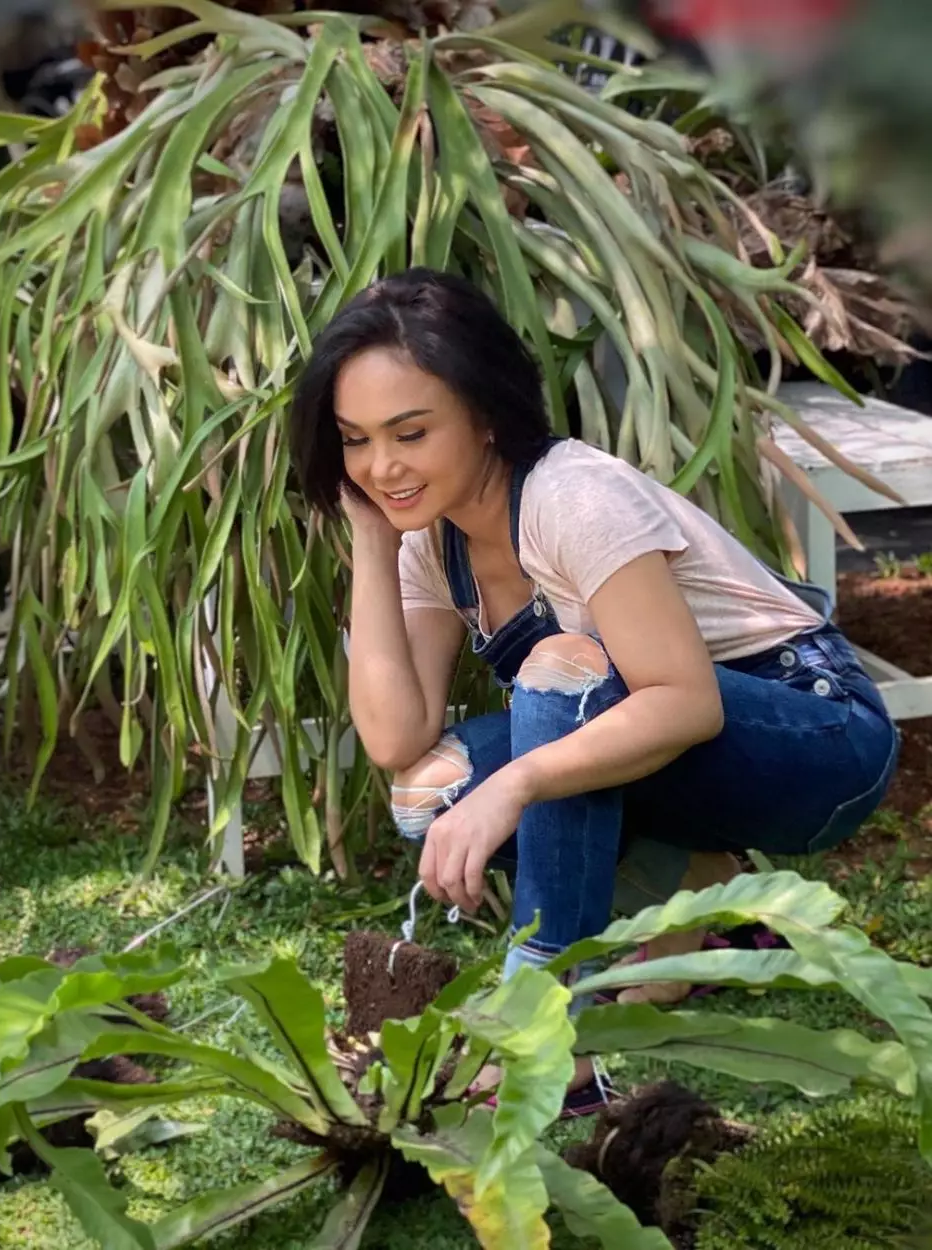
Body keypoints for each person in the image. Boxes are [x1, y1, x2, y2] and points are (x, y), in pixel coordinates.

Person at [290, 267, 899, 1113]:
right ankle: (693, 881)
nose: (382, 465)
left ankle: (546, 1024)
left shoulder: (573, 498)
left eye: (410, 433)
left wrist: (517, 783)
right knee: (428, 795)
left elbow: (687, 701)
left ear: (488, 415)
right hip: (677, 759)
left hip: (817, 740)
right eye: (355, 440)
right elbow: (396, 739)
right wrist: (367, 537)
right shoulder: (432, 540)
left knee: (563, 673)